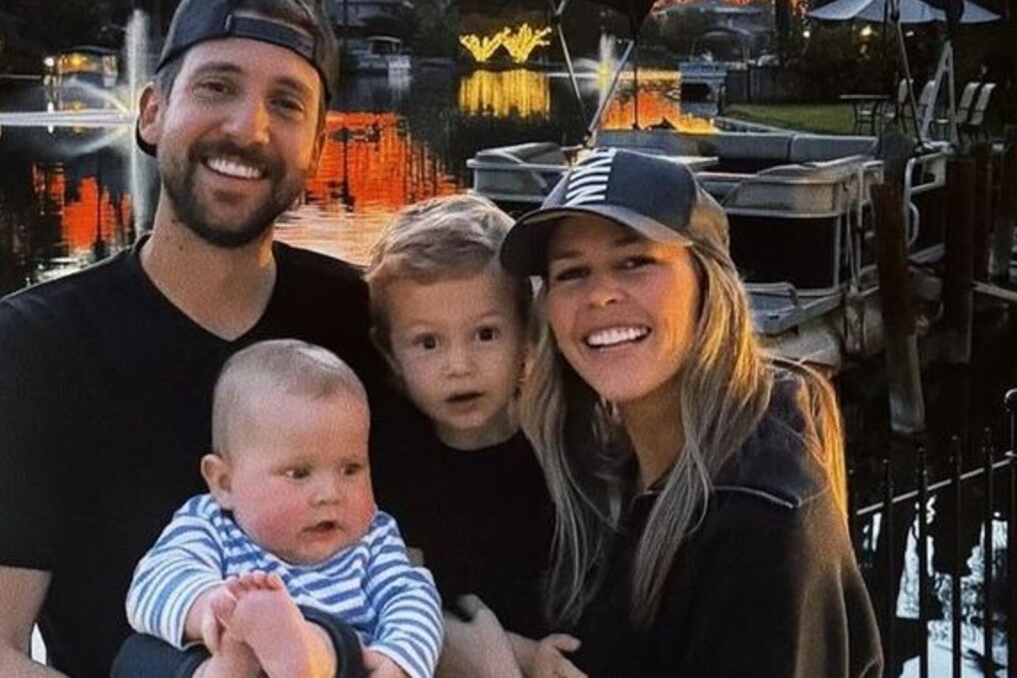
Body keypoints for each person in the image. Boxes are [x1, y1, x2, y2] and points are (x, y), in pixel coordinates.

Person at [0, 0, 396, 677]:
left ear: (315, 149)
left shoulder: (360, 324)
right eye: (217, 87)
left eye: (286, 103)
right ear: (152, 113)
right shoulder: (38, 348)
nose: (247, 127)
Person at [496, 149, 885, 677]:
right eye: (572, 273)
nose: (600, 294)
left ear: (707, 284)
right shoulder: (611, 473)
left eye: (635, 262)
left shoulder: (760, 527)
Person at [125, 339, 442, 678]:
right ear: (225, 483)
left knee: (338, 641)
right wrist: (219, 608)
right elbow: (155, 581)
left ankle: (310, 650)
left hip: (338, 666)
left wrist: (398, 661)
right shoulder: (210, 523)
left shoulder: (372, 535)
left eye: (350, 469)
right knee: (146, 656)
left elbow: (411, 597)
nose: (330, 494)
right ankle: (231, 665)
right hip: (235, 652)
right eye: (299, 473)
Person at [362, 194, 582, 678]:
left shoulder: (565, 459)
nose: (459, 366)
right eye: (428, 343)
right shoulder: (384, 470)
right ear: (391, 355)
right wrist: (522, 654)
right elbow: (391, 600)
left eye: (485, 334)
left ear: (527, 334)